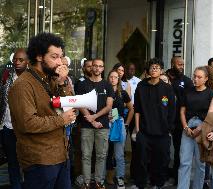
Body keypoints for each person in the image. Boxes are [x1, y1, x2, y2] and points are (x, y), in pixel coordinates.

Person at [8, 33, 77, 189]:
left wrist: (62, 84)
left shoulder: (52, 79)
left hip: (61, 156)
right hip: (40, 161)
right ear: (39, 56)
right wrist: (61, 120)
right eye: (54, 57)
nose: (60, 63)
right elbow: (28, 123)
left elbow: (72, 108)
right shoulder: (23, 85)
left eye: (61, 57)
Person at [134, 58, 176, 189]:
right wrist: (137, 129)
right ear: (148, 70)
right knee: (141, 160)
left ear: (161, 70)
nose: (154, 70)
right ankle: (140, 184)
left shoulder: (167, 88)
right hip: (144, 131)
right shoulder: (141, 86)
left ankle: (157, 184)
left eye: (157, 67)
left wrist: (168, 129)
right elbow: (137, 109)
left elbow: (172, 110)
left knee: (161, 160)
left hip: (162, 132)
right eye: (152, 67)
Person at [76, 59, 114, 189]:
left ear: (103, 69)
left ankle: (99, 181)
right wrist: (92, 121)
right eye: (94, 66)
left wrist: (95, 117)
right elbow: (80, 104)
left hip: (103, 126)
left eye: (100, 66)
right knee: (86, 155)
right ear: (91, 68)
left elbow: (109, 106)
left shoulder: (107, 85)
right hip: (87, 126)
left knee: (101, 156)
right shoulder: (82, 84)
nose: (97, 68)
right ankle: (86, 182)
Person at [177, 66, 213, 189]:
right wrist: (185, 127)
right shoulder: (187, 91)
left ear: (206, 79)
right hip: (187, 128)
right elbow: (182, 111)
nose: (195, 79)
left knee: (200, 164)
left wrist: (201, 128)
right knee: (184, 162)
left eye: (199, 77)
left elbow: (211, 115)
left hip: (203, 129)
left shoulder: (210, 93)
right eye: (194, 76)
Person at [0, 48, 28, 189]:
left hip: (26, 129)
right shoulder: (6, 76)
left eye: (21, 60)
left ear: (27, 62)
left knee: (28, 163)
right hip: (8, 127)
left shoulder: (32, 79)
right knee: (12, 162)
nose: (17, 62)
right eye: (15, 59)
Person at [165, 56, 193, 185]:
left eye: (182, 64)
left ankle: (176, 178)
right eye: (179, 64)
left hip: (178, 121)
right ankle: (161, 177)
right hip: (162, 120)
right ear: (172, 64)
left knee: (178, 150)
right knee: (162, 149)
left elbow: (189, 101)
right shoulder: (163, 77)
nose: (181, 66)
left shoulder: (186, 81)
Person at [106, 70, 134, 189]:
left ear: (118, 79)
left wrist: (127, 123)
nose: (113, 79)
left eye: (115, 77)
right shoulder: (103, 92)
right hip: (105, 124)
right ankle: (101, 178)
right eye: (111, 77)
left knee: (119, 154)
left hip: (119, 123)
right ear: (108, 78)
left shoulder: (122, 93)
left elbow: (131, 109)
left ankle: (120, 178)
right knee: (104, 153)